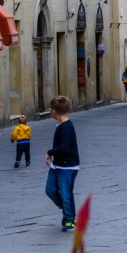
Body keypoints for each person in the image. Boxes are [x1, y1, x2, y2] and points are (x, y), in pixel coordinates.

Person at [44, 95, 80, 232]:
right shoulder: (61, 125)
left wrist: (50, 152)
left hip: (68, 166)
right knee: (50, 190)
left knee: (66, 193)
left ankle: (70, 219)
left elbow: (64, 148)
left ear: (53, 112)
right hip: (57, 165)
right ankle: (66, 208)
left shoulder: (66, 127)